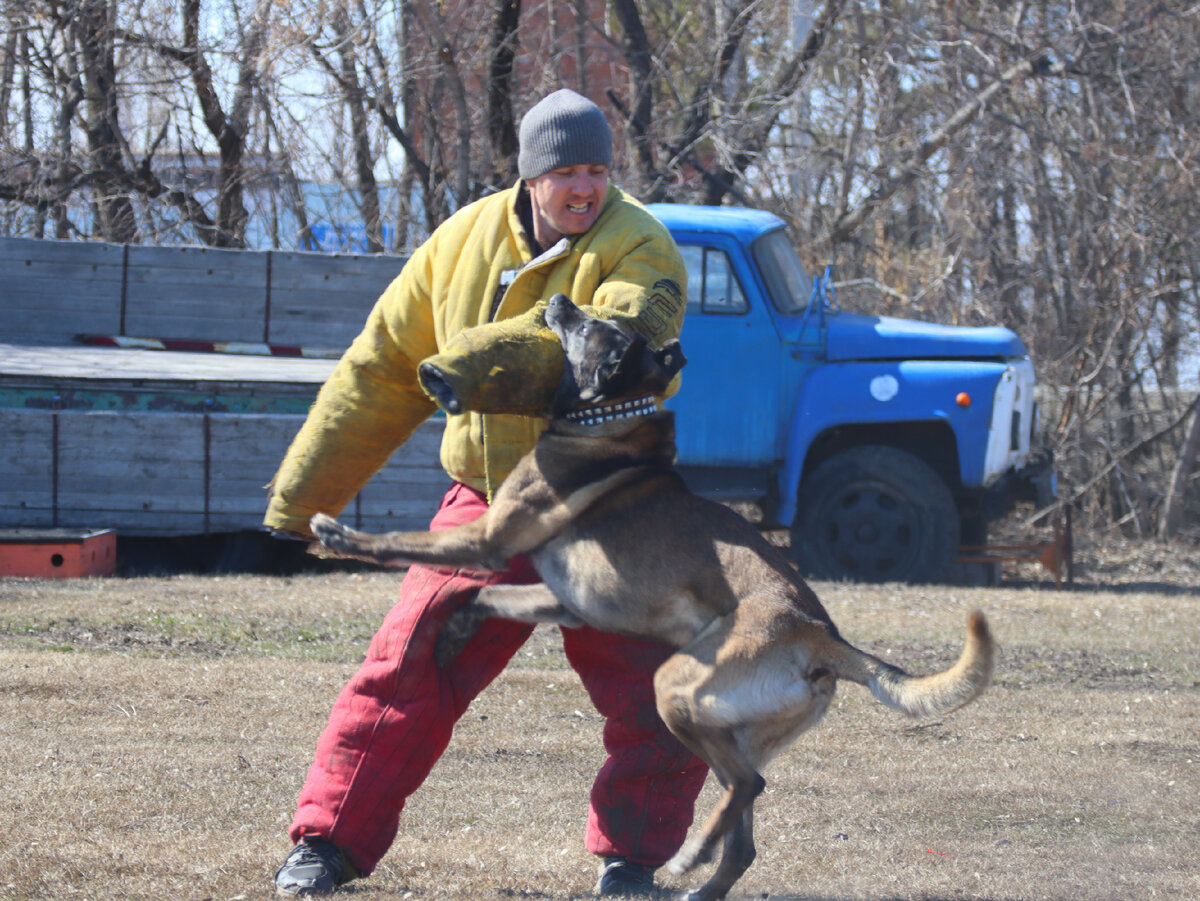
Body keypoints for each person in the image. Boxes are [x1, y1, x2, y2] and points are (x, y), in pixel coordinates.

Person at [264, 88, 708, 897]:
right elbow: (381, 369)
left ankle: (633, 862)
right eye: (568, 170)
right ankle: (325, 844)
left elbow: (606, 350)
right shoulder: (457, 241)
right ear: (530, 175)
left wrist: (470, 358)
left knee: (663, 680)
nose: (586, 188)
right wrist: (303, 498)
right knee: (405, 668)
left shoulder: (641, 244)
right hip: (490, 498)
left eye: (599, 169)